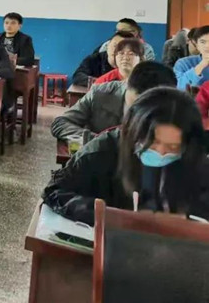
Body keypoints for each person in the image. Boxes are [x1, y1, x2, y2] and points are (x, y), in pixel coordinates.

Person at [43, 87, 209, 226]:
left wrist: (186, 218)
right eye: (152, 143)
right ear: (133, 130)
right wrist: (106, 215)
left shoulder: (194, 160)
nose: (161, 153)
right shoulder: (104, 150)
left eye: (173, 147)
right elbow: (55, 191)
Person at [51, 61, 177, 141]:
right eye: (139, 102)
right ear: (127, 84)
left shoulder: (174, 105)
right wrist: (96, 141)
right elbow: (60, 123)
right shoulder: (101, 94)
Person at [174, 25, 209, 89]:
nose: (207, 46)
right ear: (197, 45)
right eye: (203, 42)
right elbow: (180, 88)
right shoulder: (183, 63)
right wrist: (202, 64)